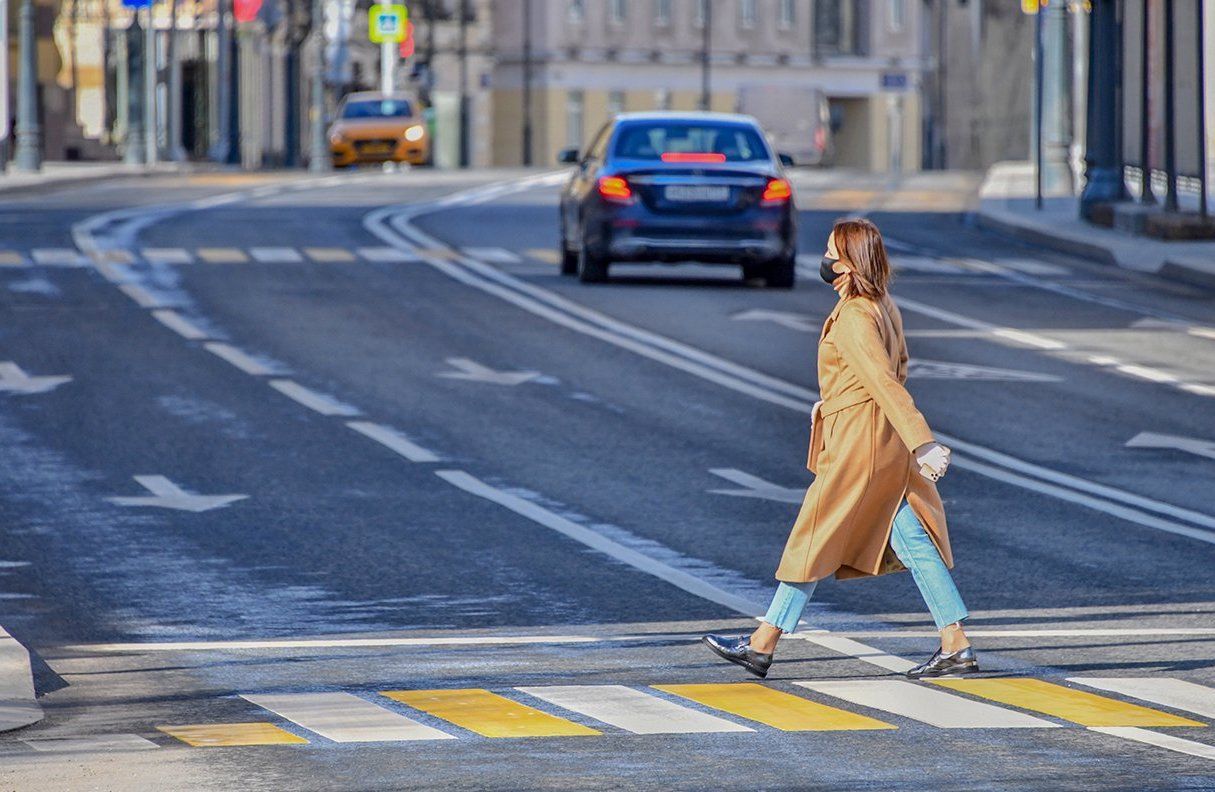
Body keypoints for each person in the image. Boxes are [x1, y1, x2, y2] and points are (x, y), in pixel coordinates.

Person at [703, 218, 976, 680]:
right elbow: (898, 367)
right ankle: (956, 644)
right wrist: (839, 396)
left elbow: (884, 382)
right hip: (878, 437)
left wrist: (922, 440)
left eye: (833, 254)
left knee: (814, 534)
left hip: (859, 444)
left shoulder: (853, 317)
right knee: (911, 538)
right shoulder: (882, 304)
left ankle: (763, 643)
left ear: (850, 264)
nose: (826, 262)